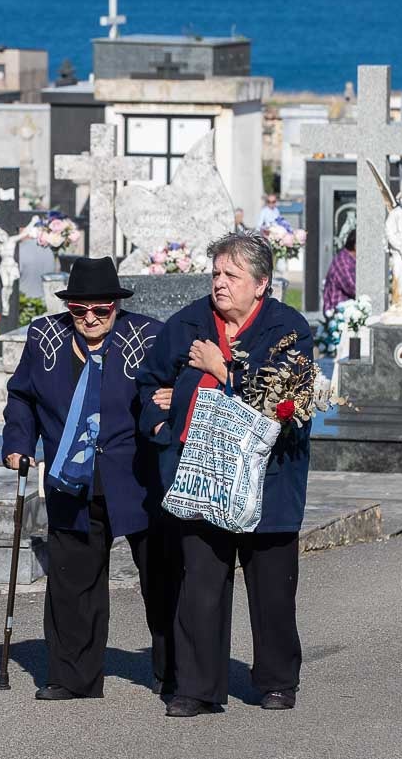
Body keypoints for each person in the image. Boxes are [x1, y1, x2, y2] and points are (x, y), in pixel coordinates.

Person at [137, 231, 315, 717]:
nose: (219, 282)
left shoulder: (289, 329)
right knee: (200, 585)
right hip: (201, 475)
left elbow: (285, 402)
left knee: (272, 587)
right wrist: (160, 422)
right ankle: (195, 687)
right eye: (216, 272)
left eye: (231, 275)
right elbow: (150, 381)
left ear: (261, 284)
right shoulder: (188, 323)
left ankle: (277, 680)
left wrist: (223, 367)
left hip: (269, 481)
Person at [1, 257, 174, 700]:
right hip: (70, 476)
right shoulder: (45, 337)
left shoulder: (148, 335)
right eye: (80, 311)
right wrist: (19, 443)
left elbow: (171, 389)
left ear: (116, 304)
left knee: (163, 576)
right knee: (72, 582)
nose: (90, 319)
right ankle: (73, 677)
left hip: (137, 477)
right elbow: (22, 396)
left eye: (100, 309)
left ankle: (174, 671)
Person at [321, 229, 357, 313]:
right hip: (338, 311)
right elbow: (352, 287)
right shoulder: (343, 261)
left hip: (349, 308)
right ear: (355, 245)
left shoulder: (352, 260)